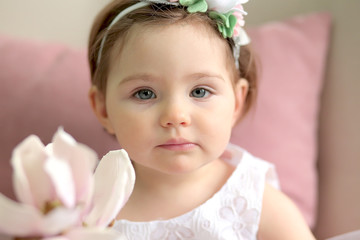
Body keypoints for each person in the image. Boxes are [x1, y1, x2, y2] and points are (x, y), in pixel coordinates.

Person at [88, 0, 316, 239]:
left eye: (200, 91)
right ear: (103, 109)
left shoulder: (255, 204)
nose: (175, 116)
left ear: (237, 102)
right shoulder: (85, 209)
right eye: (145, 93)